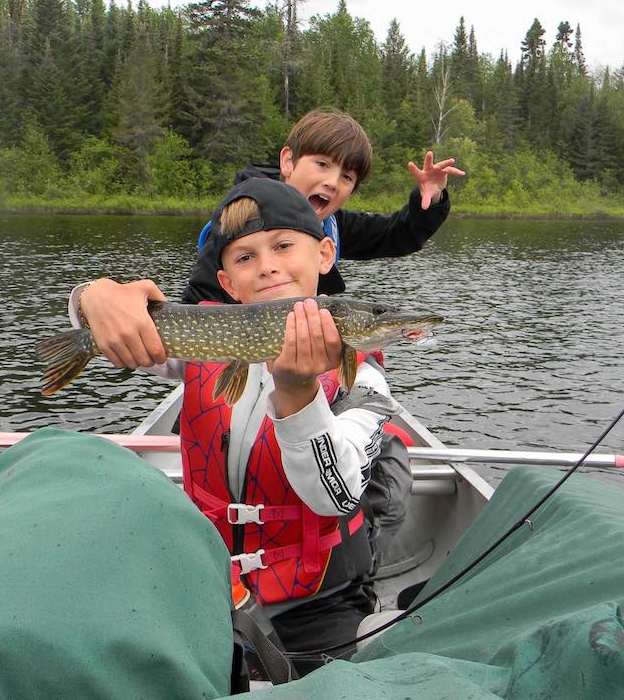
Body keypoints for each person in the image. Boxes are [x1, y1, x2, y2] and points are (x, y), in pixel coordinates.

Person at [70, 177, 400, 675]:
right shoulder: (204, 332)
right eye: (244, 257)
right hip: (208, 582)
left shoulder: (364, 375)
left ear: (325, 255)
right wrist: (92, 298)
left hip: (318, 599)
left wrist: (297, 395)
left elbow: (336, 497)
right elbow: (114, 322)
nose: (266, 264)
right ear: (226, 284)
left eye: (284, 246)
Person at [71, 108, 464, 371]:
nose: (332, 181)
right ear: (288, 161)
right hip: (238, 365)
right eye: (322, 165)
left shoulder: (333, 225)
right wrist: (90, 297)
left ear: (323, 254)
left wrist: (429, 202)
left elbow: (397, 236)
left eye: (347, 177)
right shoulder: (235, 228)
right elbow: (192, 314)